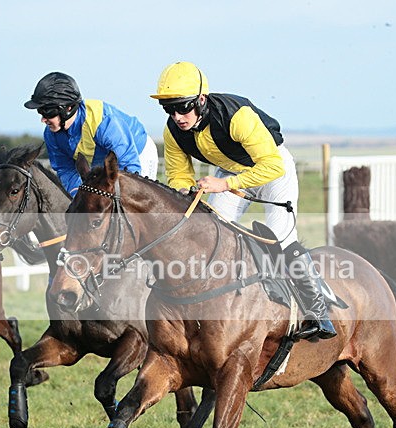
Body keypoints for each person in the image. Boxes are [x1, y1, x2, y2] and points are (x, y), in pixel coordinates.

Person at [150, 61, 336, 341]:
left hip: (273, 169)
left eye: (183, 106)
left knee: (281, 240)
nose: (177, 116)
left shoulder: (236, 116)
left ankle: (319, 314)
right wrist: (186, 190)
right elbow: (178, 174)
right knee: (206, 231)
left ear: (201, 100)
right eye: (169, 108)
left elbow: (272, 165)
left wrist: (224, 184)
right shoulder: (173, 130)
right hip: (231, 170)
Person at [24, 72, 158, 196]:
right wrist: (78, 195)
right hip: (99, 163)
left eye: (47, 112)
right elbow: (66, 169)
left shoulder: (103, 122)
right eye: (40, 112)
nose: (43, 119)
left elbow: (129, 166)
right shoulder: (51, 134)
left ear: (68, 108)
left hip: (138, 154)